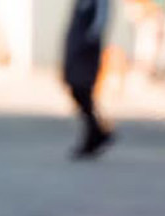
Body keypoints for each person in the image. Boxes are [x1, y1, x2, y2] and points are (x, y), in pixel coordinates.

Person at [63, 0, 114, 159]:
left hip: (86, 48)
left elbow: (102, 18)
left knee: (82, 87)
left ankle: (95, 133)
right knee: (74, 85)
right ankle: (96, 131)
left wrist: (91, 39)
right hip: (77, 44)